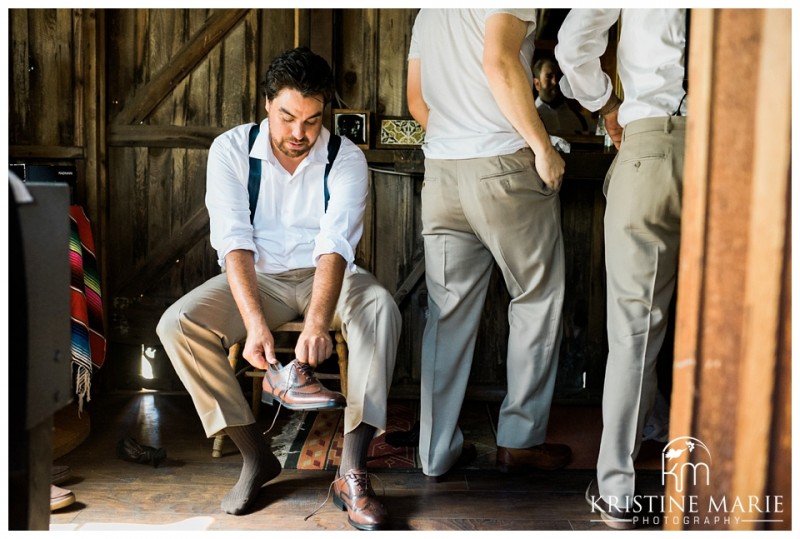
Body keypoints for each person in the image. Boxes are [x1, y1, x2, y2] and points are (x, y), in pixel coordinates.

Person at [157, 46, 401, 531]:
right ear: (267, 103)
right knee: (178, 324)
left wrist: (316, 323)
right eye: (288, 117)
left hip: (326, 278)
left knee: (380, 308)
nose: (298, 134)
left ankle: (351, 470)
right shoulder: (230, 150)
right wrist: (252, 326)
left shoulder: (346, 157)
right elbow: (234, 243)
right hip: (257, 276)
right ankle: (256, 456)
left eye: (312, 120)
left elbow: (336, 244)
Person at [406, 9, 572, 481]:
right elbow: (499, 61)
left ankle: (435, 452)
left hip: (441, 171)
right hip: (502, 164)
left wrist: (459, 132)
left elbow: (418, 102)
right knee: (537, 296)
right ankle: (519, 442)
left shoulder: (426, 13)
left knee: (447, 313)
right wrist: (542, 147)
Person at [555, 8, 688, 529]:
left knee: (635, 331)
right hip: (738, 153)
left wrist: (607, 104)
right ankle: (737, 483)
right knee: (736, 322)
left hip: (650, 145)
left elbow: (572, 46)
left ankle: (617, 491)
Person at [532, 57, 595, 135]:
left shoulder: (583, 121)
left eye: (558, 76)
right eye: (549, 76)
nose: (555, 82)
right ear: (537, 84)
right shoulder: (527, 119)